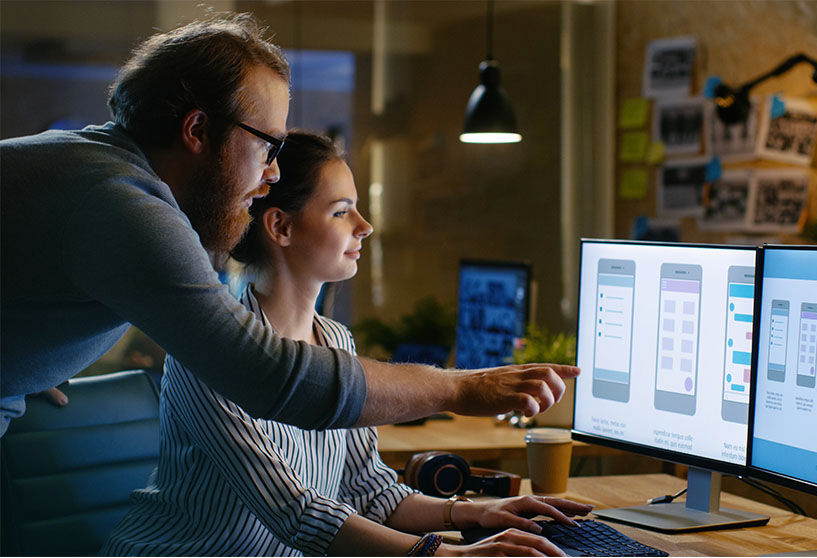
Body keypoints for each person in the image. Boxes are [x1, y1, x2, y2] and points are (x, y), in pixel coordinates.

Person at [0, 13, 578, 437]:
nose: (272, 172)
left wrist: (32, 360)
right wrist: (463, 387)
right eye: (267, 145)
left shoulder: (93, 172)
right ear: (198, 132)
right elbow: (273, 379)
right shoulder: (124, 205)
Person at [102, 131, 593, 556]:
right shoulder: (208, 354)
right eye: (342, 212)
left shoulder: (335, 341)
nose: (365, 226)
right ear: (281, 226)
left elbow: (370, 491)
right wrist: (449, 555)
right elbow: (296, 512)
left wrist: (480, 514)